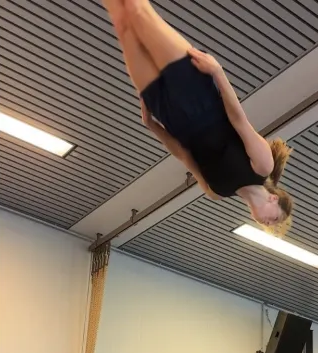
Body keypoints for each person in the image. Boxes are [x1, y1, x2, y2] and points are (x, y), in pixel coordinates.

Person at [103, 0, 294, 236]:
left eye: (270, 225)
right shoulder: (263, 166)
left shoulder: (217, 192)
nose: (269, 223)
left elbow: (184, 155)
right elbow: (238, 119)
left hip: (169, 114)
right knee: (136, 11)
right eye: (275, 218)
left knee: (122, 24)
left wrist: (152, 125)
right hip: (198, 96)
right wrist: (217, 71)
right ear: (274, 198)